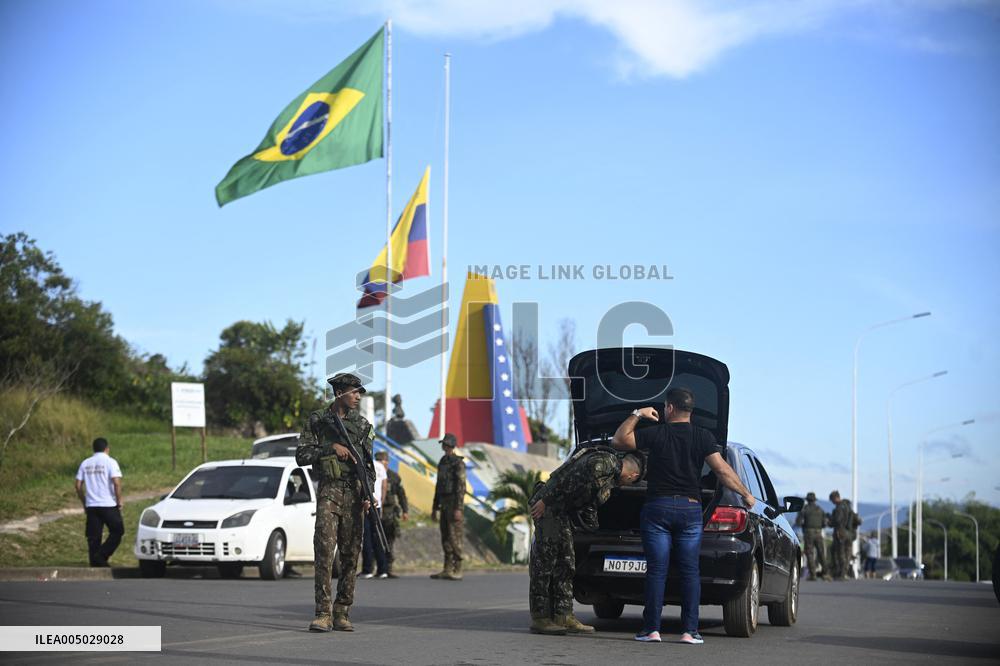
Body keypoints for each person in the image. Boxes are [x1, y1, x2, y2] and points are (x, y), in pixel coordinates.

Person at [613, 388, 756, 645]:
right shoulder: (703, 436)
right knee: (691, 571)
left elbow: (619, 441)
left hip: (658, 508)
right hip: (690, 511)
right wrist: (746, 494)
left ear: (669, 408)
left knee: (657, 570)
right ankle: (691, 631)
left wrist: (637, 414)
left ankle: (651, 630)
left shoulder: (657, 433)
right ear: (690, 410)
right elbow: (722, 470)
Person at [527, 448, 643, 635]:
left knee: (566, 563)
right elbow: (568, 477)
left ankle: (563, 615)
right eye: (631, 482)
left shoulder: (609, 480)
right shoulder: (605, 463)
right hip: (548, 507)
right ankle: (540, 618)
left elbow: (589, 502)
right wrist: (545, 500)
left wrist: (594, 528)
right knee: (545, 562)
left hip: (560, 511)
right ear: (632, 475)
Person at [296, 373, 376, 633]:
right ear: (340, 392)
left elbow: (368, 467)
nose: (358, 397)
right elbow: (302, 455)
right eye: (354, 392)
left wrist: (368, 494)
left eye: (360, 393)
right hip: (329, 492)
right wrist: (331, 448)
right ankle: (323, 613)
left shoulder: (362, 425)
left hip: (354, 494)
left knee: (351, 554)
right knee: (323, 552)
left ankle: (342, 611)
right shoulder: (319, 420)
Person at [74, 437, 124, 567]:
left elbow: (78, 485)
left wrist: (84, 502)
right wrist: (119, 501)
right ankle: (101, 555)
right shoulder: (110, 462)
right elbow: (117, 483)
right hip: (108, 504)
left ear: (93, 449)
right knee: (117, 531)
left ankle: (95, 562)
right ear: (107, 449)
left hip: (92, 505)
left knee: (93, 536)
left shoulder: (85, 463)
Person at [431, 433, 466, 581]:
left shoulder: (458, 463)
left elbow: (461, 486)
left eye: (445, 444)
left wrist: (458, 508)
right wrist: (435, 507)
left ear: (451, 445)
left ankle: (457, 568)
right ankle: (447, 568)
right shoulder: (443, 461)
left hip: (453, 502)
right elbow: (438, 485)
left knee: (454, 536)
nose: (443, 446)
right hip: (443, 501)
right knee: (445, 535)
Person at [376, 450, 409, 578]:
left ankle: (388, 568)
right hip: (377, 511)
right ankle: (376, 568)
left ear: (387, 463)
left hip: (389, 513)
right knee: (376, 541)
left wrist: (405, 510)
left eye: (382, 462)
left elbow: (401, 495)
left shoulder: (394, 477)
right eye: (378, 462)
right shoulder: (372, 474)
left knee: (389, 541)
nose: (380, 464)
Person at [360, 455, 388, 579]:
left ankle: (367, 569)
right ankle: (382, 569)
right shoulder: (380, 467)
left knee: (366, 537)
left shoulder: (361, 463)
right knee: (378, 536)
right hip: (377, 505)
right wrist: (381, 501)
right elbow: (384, 486)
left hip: (366, 503)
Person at [795, 491, 829, 580]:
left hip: (808, 533)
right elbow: (825, 523)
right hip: (818, 533)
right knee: (821, 553)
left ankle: (813, 574)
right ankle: (825, 573)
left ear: (807, 500)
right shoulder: (820, 509)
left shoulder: (804, 509)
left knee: (809, 553)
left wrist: (804, 525)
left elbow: (798, 522)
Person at [828, 490, 860, 580]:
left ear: (835, 498)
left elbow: (838, 521)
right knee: (847, 554)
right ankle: (844, 573)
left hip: (841, 532)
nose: (832, 502)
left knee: (840, 553)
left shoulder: (839, 507)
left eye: (832, 500)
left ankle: (841, 574)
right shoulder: (848, 507)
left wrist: (830, 521)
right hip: (849, 533)